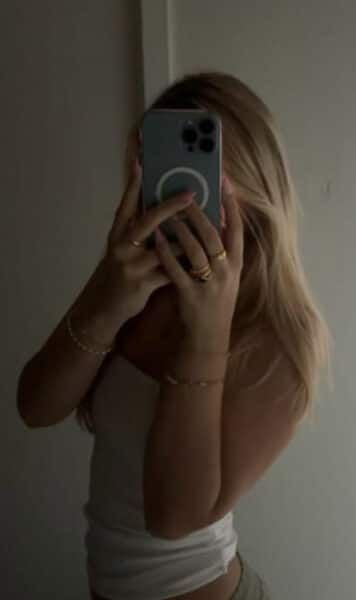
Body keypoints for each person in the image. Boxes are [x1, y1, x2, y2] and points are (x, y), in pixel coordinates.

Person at [17, 71, 333, 600]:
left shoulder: (277, 340)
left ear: (249, 189)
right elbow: (35, 406)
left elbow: (173, 517)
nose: (178, 193)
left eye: (202, 173)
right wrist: (106, 298)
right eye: (153, 169)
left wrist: (207, 334)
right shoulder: (136, 284)